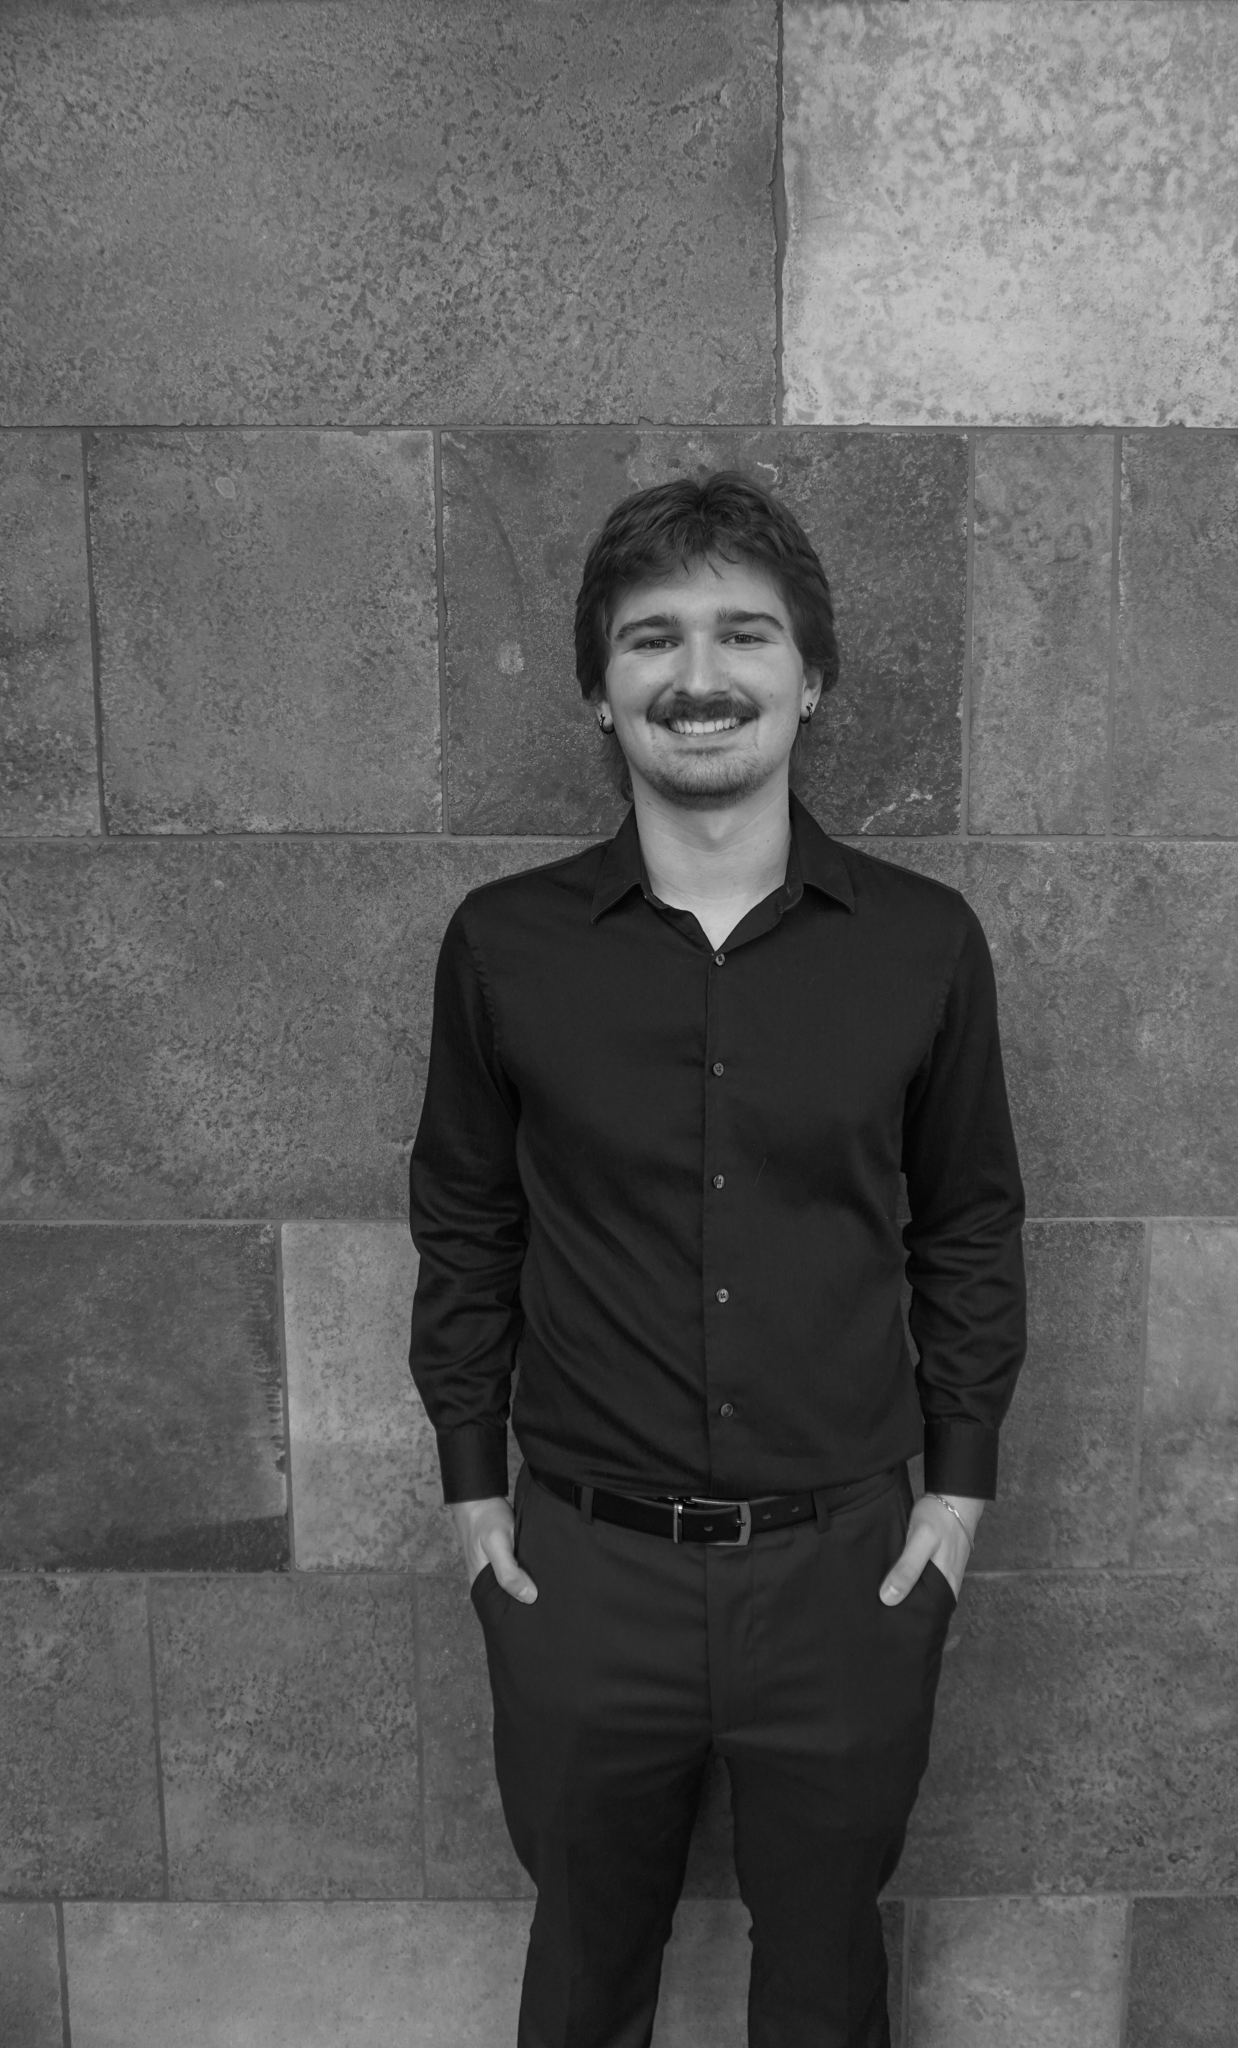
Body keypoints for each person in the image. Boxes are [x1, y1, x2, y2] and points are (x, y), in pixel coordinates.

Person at [409, 472, 1027, 2048]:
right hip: (579, 1568)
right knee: (583, 1967)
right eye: (652, 640)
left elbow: (966, 1220)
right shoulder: (503, 945)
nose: (700, 677)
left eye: (743, 634)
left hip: (846, 1569)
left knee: (825, 1977)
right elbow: (468, 1221)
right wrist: (473, 1496)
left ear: (807, 677)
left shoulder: (921, 942)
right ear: (599, 691)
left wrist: (953, 1498)